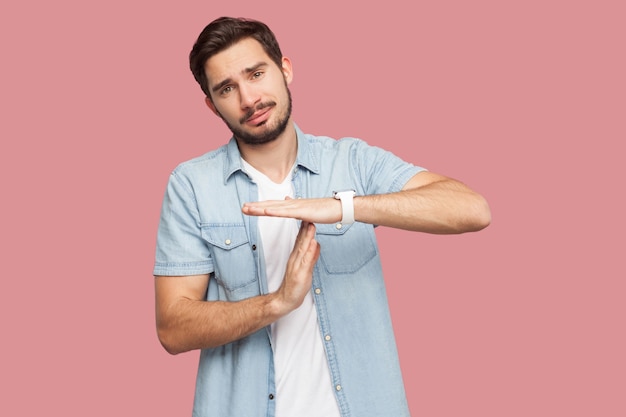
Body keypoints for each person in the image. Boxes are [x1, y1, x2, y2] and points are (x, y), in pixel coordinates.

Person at [153, 16, 491, 417]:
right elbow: (173, 327)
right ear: (212, 105)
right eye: (227, 88)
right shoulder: (192, 185)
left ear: (285, 69)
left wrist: (344, 206)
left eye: (256, 74)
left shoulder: (350, 162)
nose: (249, 99)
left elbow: (472, 209)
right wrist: (277, 303)